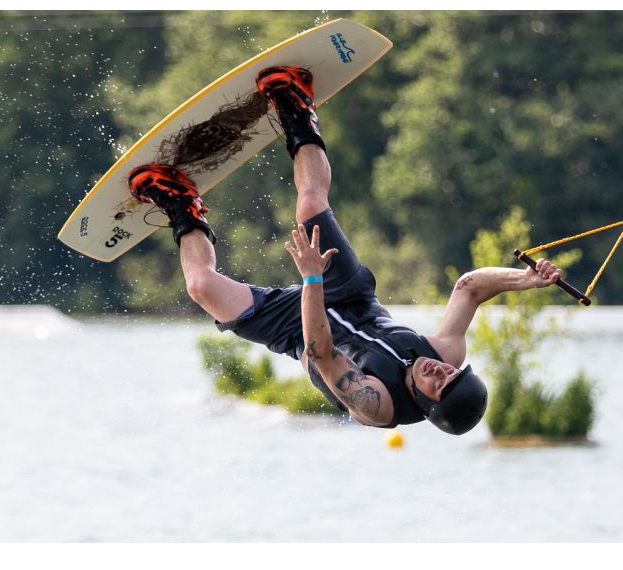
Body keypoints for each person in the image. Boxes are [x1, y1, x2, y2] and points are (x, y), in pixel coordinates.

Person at [128, 66, 563, 435]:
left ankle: (181, 202)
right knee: (311, 206)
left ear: (428, 407)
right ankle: (296, 106)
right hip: (351, 295)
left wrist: (312, 279)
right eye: (451, 374)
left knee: (202, 287)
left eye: (440, 385)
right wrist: (525, 280)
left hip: (299, 332)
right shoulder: (446, 355)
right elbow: (469, 288)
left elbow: (322, 351)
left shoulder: (377, 405)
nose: (440, 372)